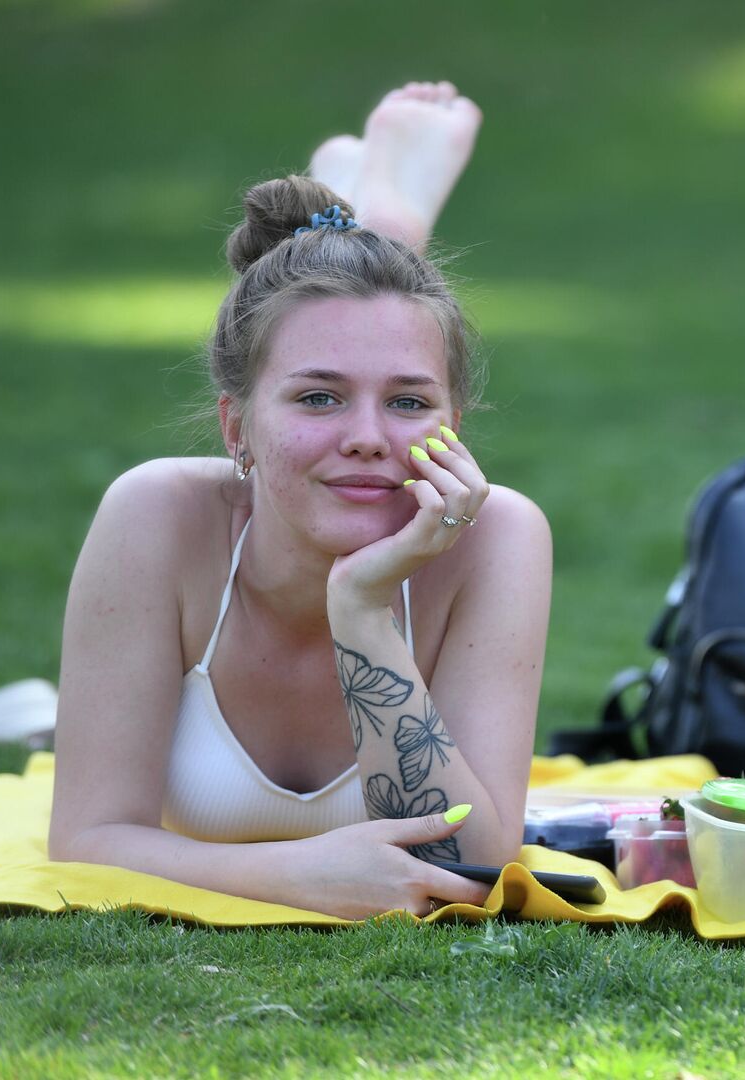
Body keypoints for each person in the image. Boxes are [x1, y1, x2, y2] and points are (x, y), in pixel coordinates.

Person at [48, 82, 553, 920]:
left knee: (357, 319)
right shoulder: (158, 517)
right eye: (317, 398)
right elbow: (89, 837)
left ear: (456, 424)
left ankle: (381, 220)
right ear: (235, 424)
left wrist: (360, 605)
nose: (368, 438)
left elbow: (466, 860)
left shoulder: (496, 534)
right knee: (355, 317)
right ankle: (382, 218)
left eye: (410, 402)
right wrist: (299, 872)